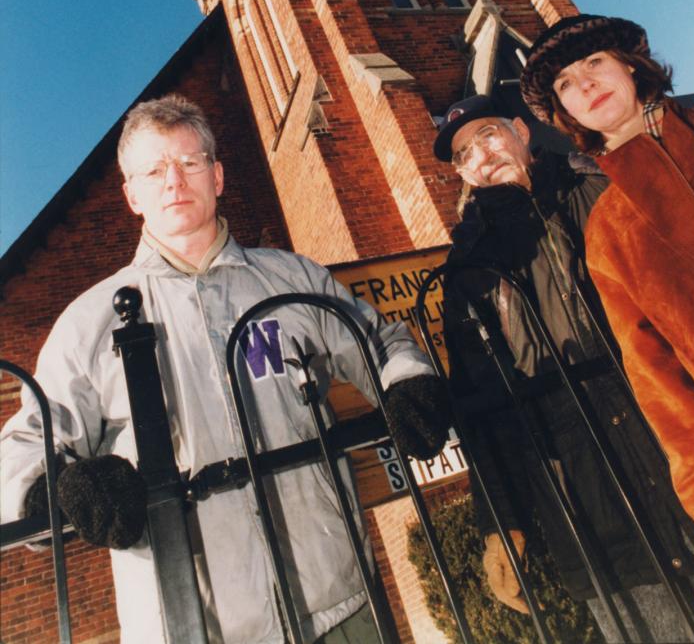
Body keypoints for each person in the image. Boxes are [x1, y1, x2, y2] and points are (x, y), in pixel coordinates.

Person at [1, 95, 450, 644]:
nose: (174, 181)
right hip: (190, 623)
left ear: (216, 176)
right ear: (132, 195)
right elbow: (26, 444)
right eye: (153, 170)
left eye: (189, 163)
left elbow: (380, 341)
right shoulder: (88, 321)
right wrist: (57, 488)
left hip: (337, 599)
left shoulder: (291, 278)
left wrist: (407, 383)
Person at [434, 93, 694, 643]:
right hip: (590, 490)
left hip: (685, 446)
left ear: (522, 131)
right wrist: (501, 522)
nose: (481, 156)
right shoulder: (469, 268)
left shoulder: (601, 188)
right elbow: (483, 403)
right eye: (463, 154)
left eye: (489, 135)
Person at [521, 13, 694, 545]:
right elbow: (657, 381)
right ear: (564, 112)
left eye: (594, 62)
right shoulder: (609, 231)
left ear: (631, 67)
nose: (583, 83)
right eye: (565, 83)